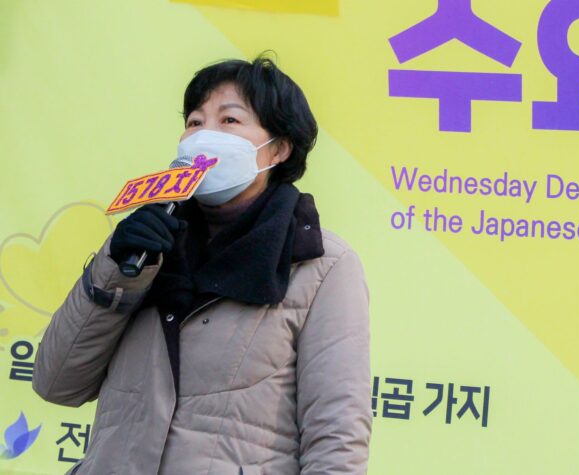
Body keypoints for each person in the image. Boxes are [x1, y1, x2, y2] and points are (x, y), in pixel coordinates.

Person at [33, 56, 371, 474]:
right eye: (195, 122)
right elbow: (55, 383)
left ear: (279, 149)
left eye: (229, 120)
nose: (204, 136)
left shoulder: (321, 265)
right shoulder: (146, 245)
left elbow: (337, 437)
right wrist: (115, 269)